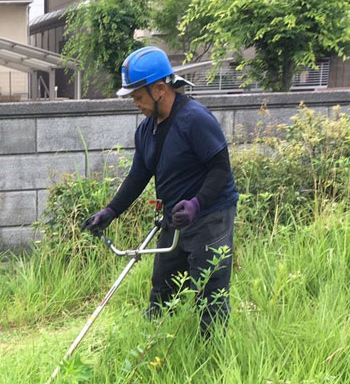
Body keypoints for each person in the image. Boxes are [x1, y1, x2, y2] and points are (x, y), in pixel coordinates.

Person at [81, 46, 238, 336]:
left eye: (138, 96)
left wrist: (196, 204)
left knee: (209, 291)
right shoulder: (146, 130)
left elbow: (220, 169)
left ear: (160, 89)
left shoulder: (195, 119)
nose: (135, 103)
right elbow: (139, 175)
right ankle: (152, 346)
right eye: (132, 97)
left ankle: (214, 354)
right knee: (164, 285)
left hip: (210, 214)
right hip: (175, 216)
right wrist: (111, 211)